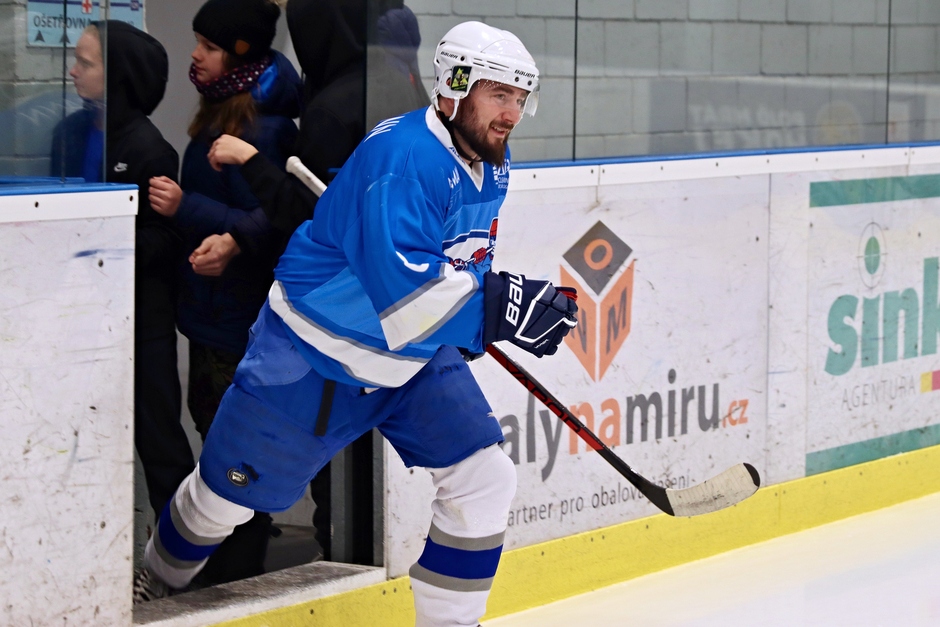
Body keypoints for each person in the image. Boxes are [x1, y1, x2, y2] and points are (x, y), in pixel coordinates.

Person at [135, 22, 577, 626]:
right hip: (314, 356)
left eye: (520, 99)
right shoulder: (403, 159)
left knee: (485, 478)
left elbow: (459, 264)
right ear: (453, 86)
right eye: (499, 94)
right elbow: (407, 298)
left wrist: (479, 317)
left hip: (411, 359)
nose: (512, 114)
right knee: (223, 500)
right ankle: (160, 575)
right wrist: (500, 307)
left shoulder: (490, 161)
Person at [204, 0, 430, 562]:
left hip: (340, 308)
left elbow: (307, 212)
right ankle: (353, 554)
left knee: (330, 435)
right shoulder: (405, 86)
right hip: (400, 298)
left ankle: (340, 557)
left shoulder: (336, 107)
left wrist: (251, 160)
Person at [147, 0, 302, 586]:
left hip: (239, 320)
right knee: (213, 433)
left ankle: (238, 570)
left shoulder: (266, 130)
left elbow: (277, 220)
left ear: (240, 55)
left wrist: (187, 208)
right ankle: (222, 563)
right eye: (197, 42)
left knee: (235, 449)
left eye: (209, 47)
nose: (195, 56)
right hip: (210, 314)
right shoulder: (222, 114)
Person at [50, 22, 194, 520]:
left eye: (85, 63)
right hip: (76, 316)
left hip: (140, 320)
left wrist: (98, 248)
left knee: (158, 439)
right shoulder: (68, 133)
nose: (73, 71)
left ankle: (180, 549)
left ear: (118, 76)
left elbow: (165, 239)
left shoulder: (149, 149)